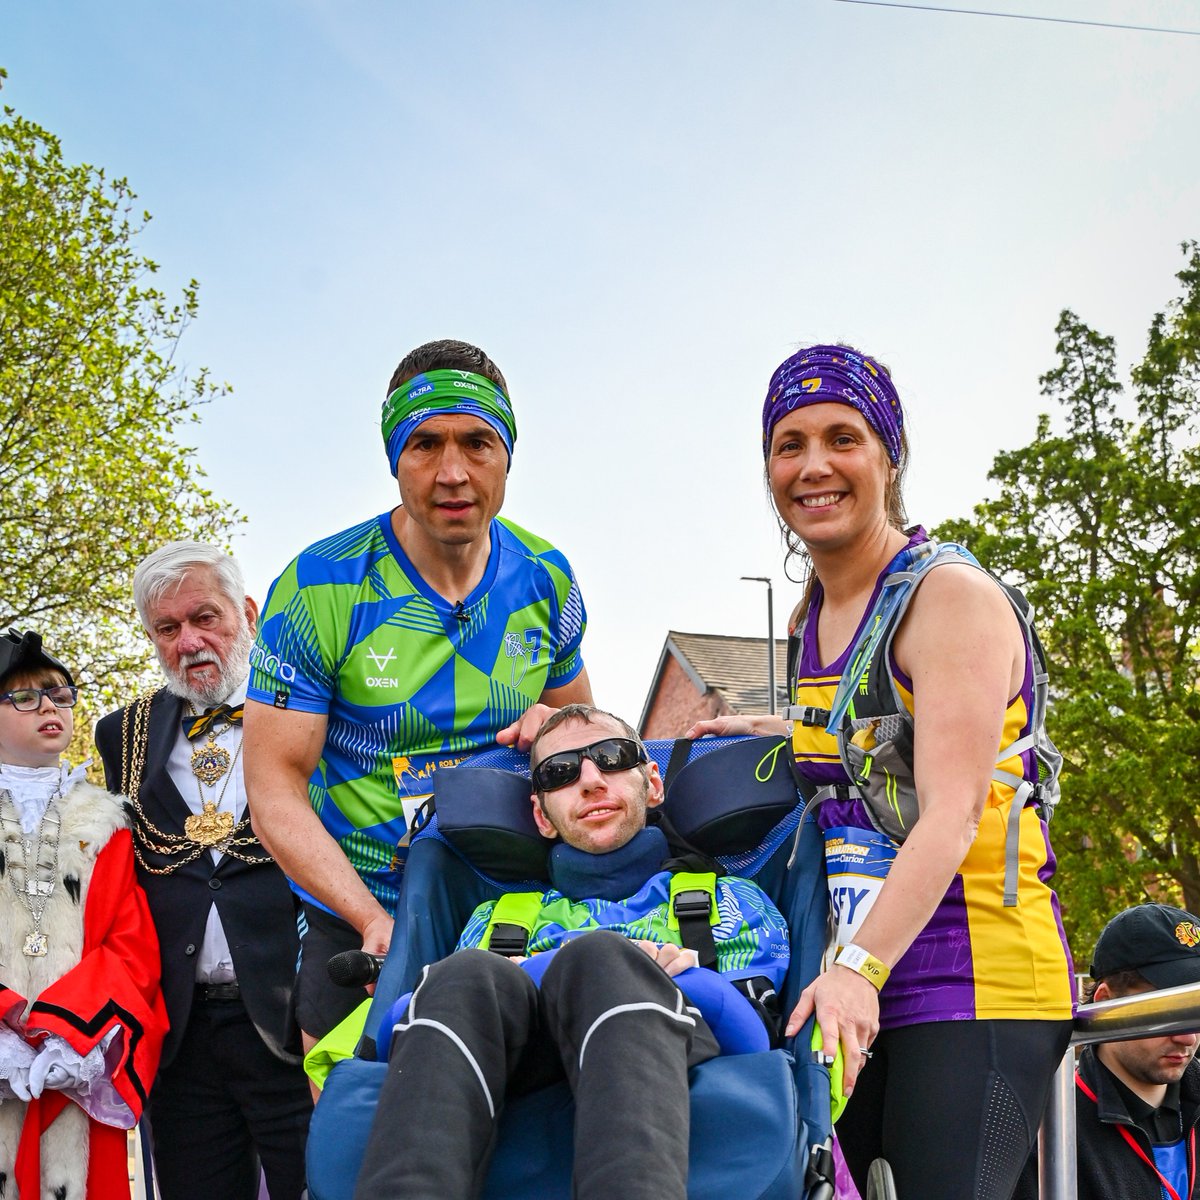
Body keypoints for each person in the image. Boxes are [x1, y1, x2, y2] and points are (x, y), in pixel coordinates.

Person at [686, 344, 1075, 1200]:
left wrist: (859, 970)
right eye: (789, 445)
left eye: (842, 438)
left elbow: (951, 812)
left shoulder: (949, 598)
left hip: (975, 975)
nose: (813, 466)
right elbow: (874, 730)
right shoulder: (812, 612)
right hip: (859, 977)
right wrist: (784, 728)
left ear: (888, 457)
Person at [244, 338, 593, 1047]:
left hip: (508, 901)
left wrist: (555, 727)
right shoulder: (319, 586)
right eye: (425, 445)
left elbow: (581, 738)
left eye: (477, 442)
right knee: (358, 1141)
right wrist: (373, 921)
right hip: (364, 910)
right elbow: (273, 786)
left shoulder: (546, 578)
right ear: (395, 458)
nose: (452, 473)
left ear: (507, 456)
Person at [352, 703, 790, 1200]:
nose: (589, 780)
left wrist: (686, 981)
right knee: (467, 973)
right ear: (541, 815)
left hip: (670, 1064)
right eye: (559, 772)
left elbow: (759, 1042)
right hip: (515, 1072)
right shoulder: (497, 918)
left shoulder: (726, 900)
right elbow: (400, 1033)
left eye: (611, 755)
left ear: (652, 784)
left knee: (601, 959)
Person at [94, 544, 312, 1200]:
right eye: (167, 628)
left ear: (247, 614)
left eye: (205, 618)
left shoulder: (308, 713)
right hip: (181, 1035)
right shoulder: (120, 734)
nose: (189, 641)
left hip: (295, 1018)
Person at [0, 629, 167, 1200]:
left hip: (74, 1058)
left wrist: (72, 1039)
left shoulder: (107, 823)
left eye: (60, 694)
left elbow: (131, 946)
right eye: (24, 697)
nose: (50, 706)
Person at [1018, 903, 1200, 1200]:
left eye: (1194, 1011)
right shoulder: (1047, 1135)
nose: (1188, 1036)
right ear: (1106, 1004)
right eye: (1166, 1013)